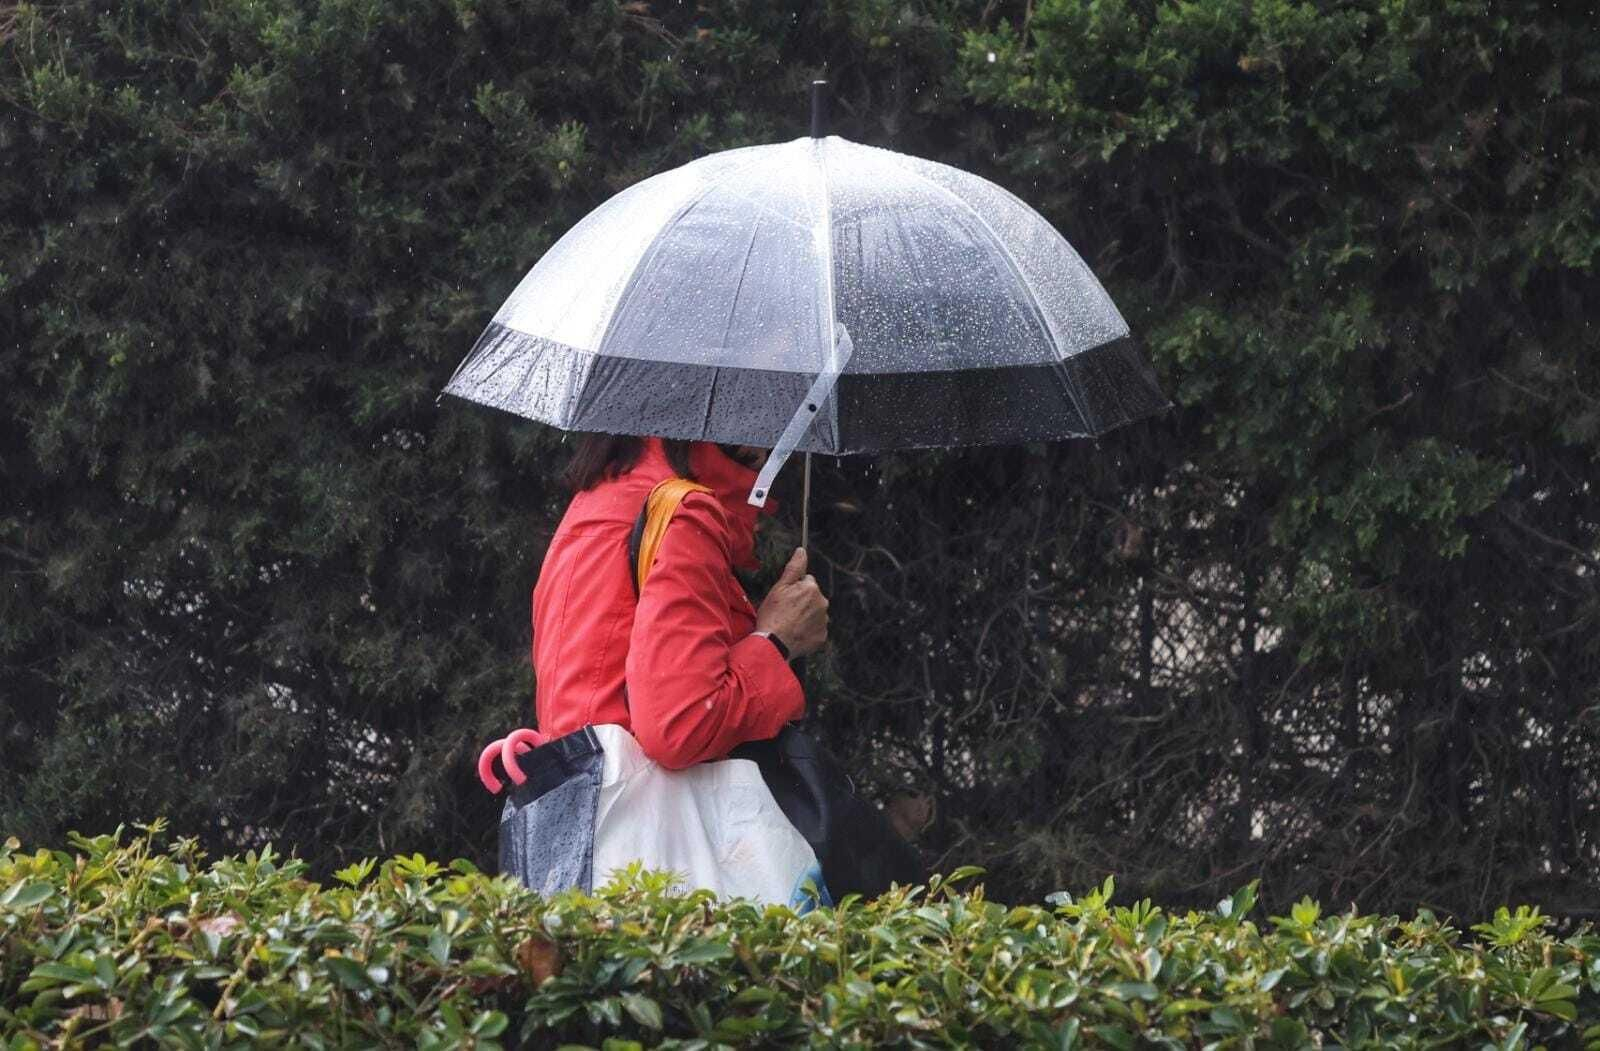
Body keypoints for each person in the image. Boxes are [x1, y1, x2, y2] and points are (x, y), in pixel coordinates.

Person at [531, 434, 829, 770]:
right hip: (647, 812)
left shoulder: (602, 497)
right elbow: (679, 727)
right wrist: (776, 641)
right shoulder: (684, 512)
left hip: (588, 797)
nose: (776, 437)